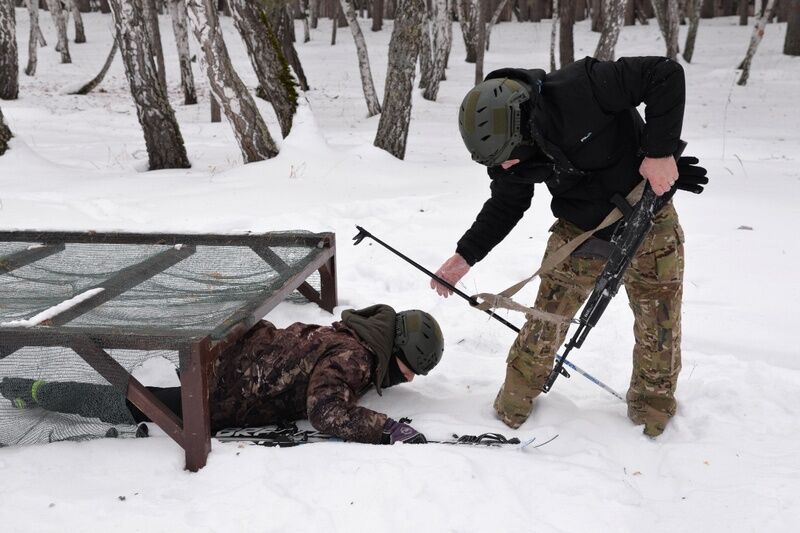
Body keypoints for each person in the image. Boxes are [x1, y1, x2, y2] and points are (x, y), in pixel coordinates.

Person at [431, 57, 708, 437]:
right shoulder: (508, 152)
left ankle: (653, 417)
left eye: (507, 158)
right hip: (578, 231)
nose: (507, 167)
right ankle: (510, 411)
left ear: (523, 125)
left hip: (650, 217)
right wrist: (466, 255)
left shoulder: (585, 85)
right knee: (545, 322)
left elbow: (665, 75)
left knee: (659, 326)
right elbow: (507, 203)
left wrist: (659, 152)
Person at [0, 305, 444, 445]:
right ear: (399, 354)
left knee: (142, 398)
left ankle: (40, 389)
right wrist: (385, 429)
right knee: (136, 404)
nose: (409, 378)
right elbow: (327, 412)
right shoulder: (356, 357)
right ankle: (39, 390)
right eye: (410, 370)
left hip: (234, 358)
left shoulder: (354, 338)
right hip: (225, 390)